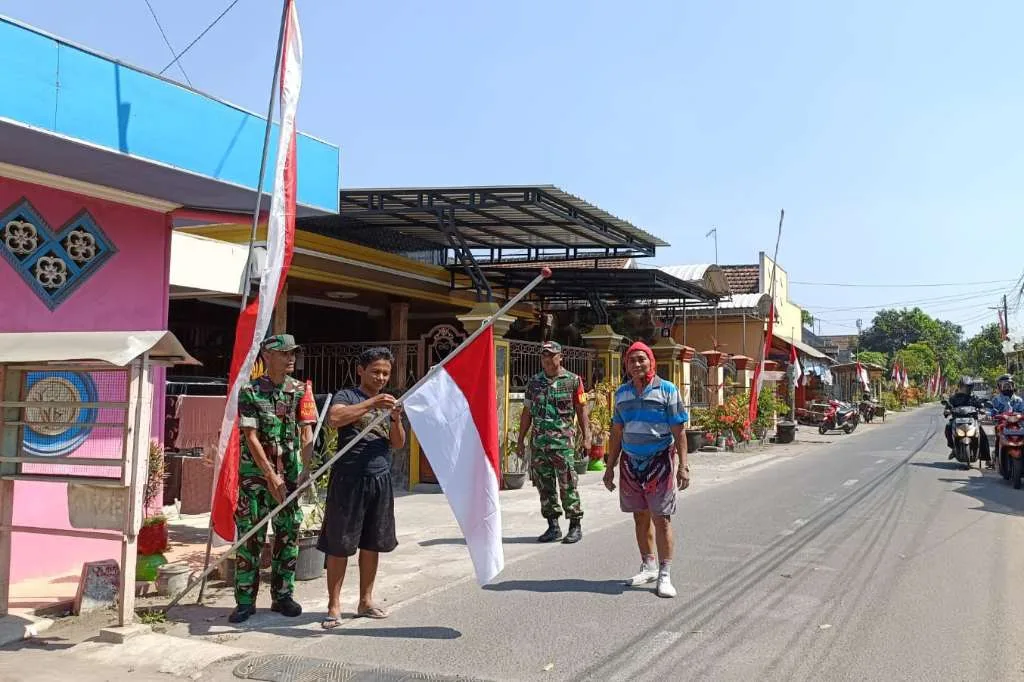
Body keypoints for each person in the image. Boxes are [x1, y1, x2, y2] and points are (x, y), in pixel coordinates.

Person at [230, 334, 315, 624]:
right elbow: (250, 437)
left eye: (293, 353)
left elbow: (307, 432)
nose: (291, 358)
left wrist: (305, 470)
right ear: (267, 355)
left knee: (288, 535)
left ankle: (282, 596)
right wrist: (270, 475)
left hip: (290, 476)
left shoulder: (300, 390)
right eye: (284, 353)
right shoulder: (250, 391)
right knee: (250, 536)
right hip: (256, 476)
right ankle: (244, 601)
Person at [318, 347, 405, 629]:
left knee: (373, 542)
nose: (381, 377)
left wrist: (395, 418)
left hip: (380, 478)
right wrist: (373, 403)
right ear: (361, 371)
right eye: (375, 371)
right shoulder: (348, 396)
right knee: (340, 543)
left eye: (386, 373)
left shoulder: (389, 402)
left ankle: (365, 601)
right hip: (348, 478)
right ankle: (334, 605)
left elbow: (398, 443)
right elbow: (335, 418)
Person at [602, 342, 690, 598]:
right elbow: (616, 432)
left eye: (642, 359)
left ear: (652, 361)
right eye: (632, 360)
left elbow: (679, 431)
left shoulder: (667, 390)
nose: (637, 364)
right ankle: (648, 565)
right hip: (630, 463)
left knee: (661, 518)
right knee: (639, 516)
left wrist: (683, 466)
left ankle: (665, 573)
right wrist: (609, 468)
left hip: (659, 463)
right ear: (626, 366)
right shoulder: (622, 394)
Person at [516, 341, 591, 544]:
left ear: (560, 357)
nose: (547, 360)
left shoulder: (573, 381)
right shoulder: (534, 382)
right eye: (544, 356)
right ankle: (553, 526)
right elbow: (527, 412)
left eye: (551, 356)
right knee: (544, 487)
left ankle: (575, 525)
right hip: (540, 445)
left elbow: (581, 410)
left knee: (567, 484)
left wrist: (587, 437)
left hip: (562, 445)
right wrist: (521, 439)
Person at [944, 376, 990, 465]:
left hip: (972, 421)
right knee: (948, 427)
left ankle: (988, 459)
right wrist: (947, 411)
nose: (966, 389)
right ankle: (953, 447)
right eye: (965, 386)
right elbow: (948, 407)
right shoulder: (953, 398)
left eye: (968, 387)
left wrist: (982, 409)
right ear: (960, 386)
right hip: (956, 421)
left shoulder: (973, 397)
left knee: (983, 435)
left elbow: (980, 405)